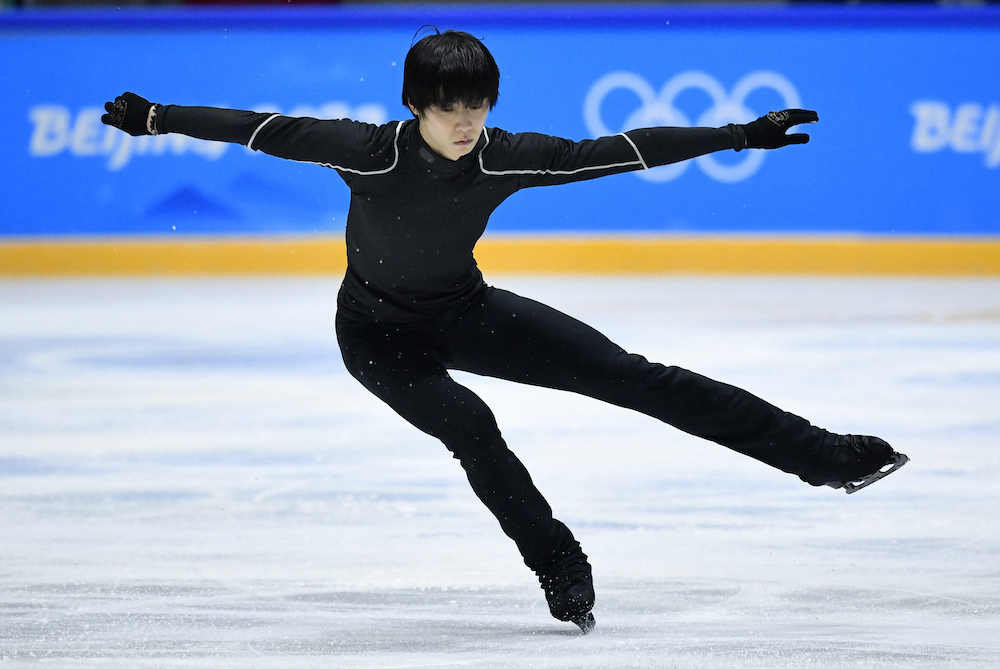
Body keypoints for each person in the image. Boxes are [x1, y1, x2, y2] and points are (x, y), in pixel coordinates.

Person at [101, 29, 907, 634]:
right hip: (379, 339)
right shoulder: (366, 152)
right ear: (417, 104)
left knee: (633, 374)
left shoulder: (506, 155)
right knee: (474, 427)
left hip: (465, 309)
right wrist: (156, 116)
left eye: (477, 105)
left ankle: (821, 456)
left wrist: (734, 135)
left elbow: (619, 150)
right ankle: (559, 563)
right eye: (449, 107)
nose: (464, 122)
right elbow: (260, 127)